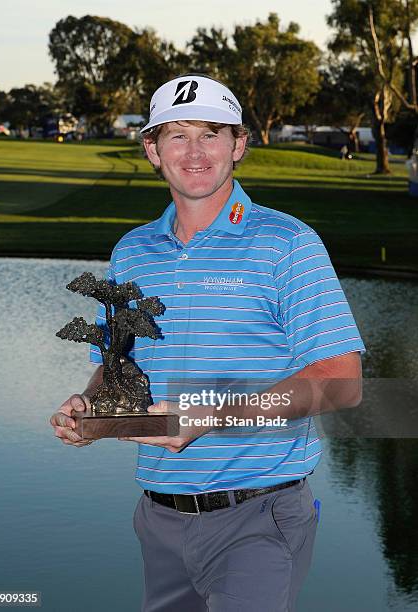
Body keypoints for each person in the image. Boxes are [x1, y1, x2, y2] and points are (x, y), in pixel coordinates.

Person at [50, 74, 365, 611]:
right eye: (176, 135)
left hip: (258, 516)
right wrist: (92, 410)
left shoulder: (287, 243)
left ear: (238, 144)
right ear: (152, 149)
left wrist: (207, 415)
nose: (194, 152)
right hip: (159, 517)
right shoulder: (133, 251)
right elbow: (119, 362)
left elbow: (341, 383)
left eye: (210, 133)